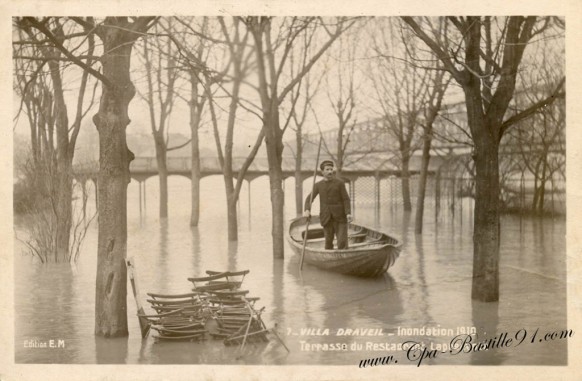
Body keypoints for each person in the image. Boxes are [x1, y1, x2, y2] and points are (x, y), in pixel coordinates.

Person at [303, 160, 352, 250]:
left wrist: (348, 213)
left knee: (342, 242)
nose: (330, 171)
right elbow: (309, 199)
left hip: (340, 217)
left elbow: (346, 199)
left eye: (331, 169)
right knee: (328, 243)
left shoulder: (339, 183)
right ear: (322, 172)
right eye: (327, 169)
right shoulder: (318, 185)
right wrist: (307, 210)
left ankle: (343, 260)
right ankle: (330, 260)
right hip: (326, 217)